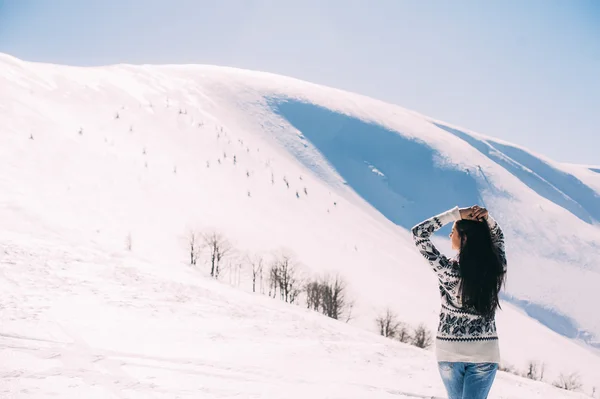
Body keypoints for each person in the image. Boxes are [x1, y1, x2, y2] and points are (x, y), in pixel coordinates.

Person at [411, 205, 507, 399]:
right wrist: (487, 219)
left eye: (453, 231)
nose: (449, 236)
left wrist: (456, 214)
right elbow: (499, 239)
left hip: (450, 352)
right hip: (483, 354)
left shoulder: (448, 272)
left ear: (464, 238)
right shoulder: (494, 268)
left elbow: (419, 233)